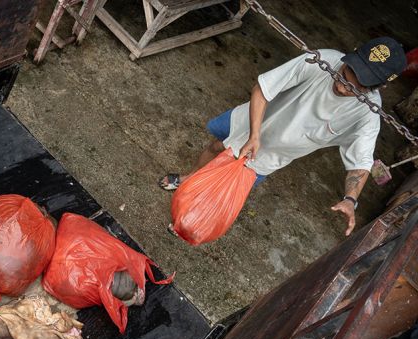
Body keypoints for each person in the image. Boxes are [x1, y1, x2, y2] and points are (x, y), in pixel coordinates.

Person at [160, 37, 407, 236]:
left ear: (378, 87)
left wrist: (350, 199)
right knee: (215, 147)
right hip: (252, 117)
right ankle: (189, 178)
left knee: (220, 186)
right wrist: (254, 134)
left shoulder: (368, 114)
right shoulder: (322, 60)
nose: (342, 86)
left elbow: (360, 162)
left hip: (268, 155)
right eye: (345, 73)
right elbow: (262, 89)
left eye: (356, 87)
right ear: (350, 55)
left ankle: (189, 216)